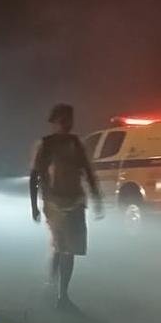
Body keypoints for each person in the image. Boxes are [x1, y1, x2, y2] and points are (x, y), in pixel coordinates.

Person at [29, 103, 103, 310]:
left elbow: (88, 171)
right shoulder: (45, 145)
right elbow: (34, 176)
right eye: (62, 120)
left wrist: (97, 198)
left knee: (67, 249)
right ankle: (58, 291)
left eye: (69, 119)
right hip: (53, 203)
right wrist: (34, 206)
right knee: (64, 248)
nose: (67, 124)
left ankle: (61, 292)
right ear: (54, 122)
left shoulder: (76, 144)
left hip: (75, 202)